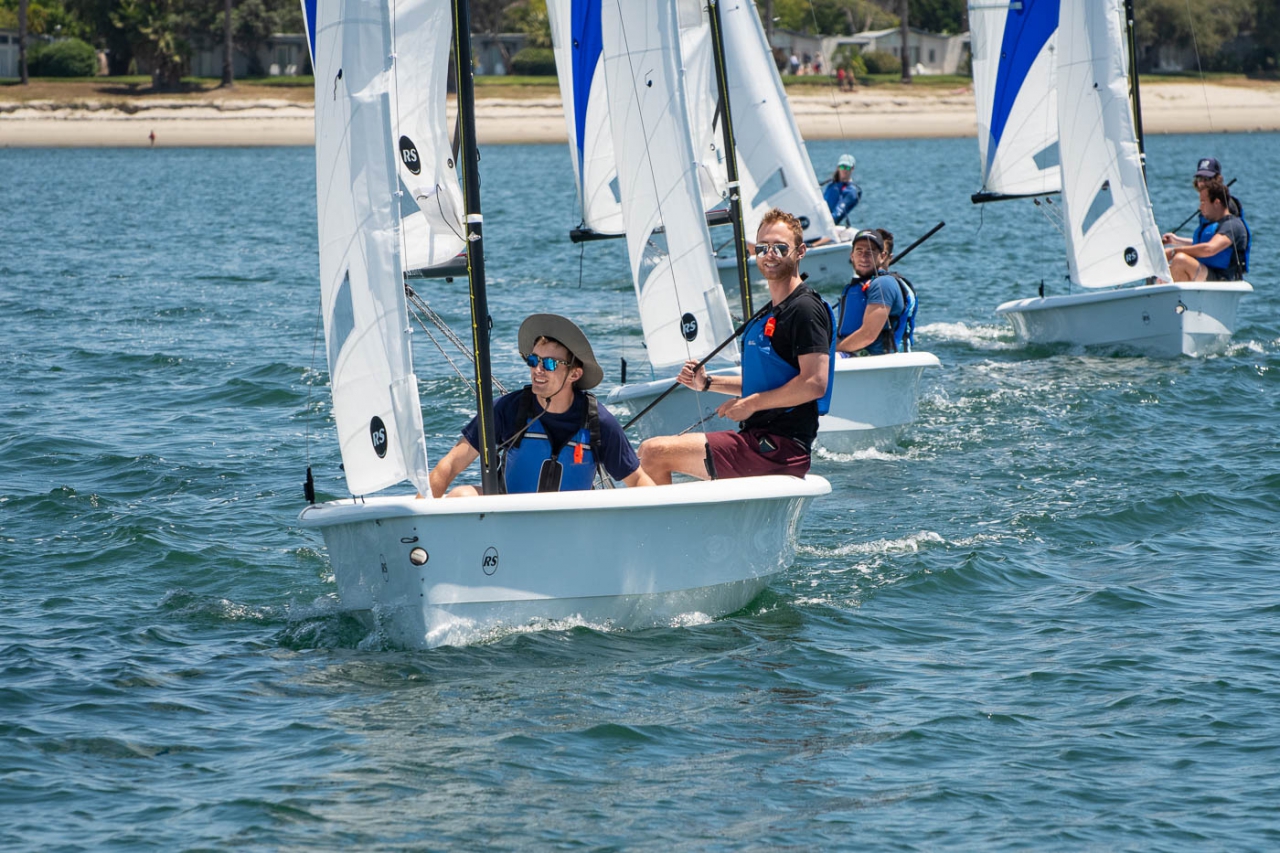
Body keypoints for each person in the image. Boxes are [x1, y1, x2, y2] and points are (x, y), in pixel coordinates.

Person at [638, 209, 834, 485]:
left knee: (653, 452)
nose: (770, 254)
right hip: (758, 441)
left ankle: (658, 529)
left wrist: (750, 404)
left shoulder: (804, 309)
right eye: (763, 247)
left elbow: (814, 383)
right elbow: (767, 381)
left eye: (780, 247)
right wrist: (707, 383)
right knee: (654, 452)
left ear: (800, 251)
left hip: (779, 449)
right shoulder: (774, 309)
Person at [429, 314, 655, 497]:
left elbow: (637, 479)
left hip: (572, 527)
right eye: (533, 360)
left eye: (549, 363)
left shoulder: (598, 421)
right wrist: (416, 525)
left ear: (574, 374)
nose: (538, 369)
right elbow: (450, 464)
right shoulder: (508, 410)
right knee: (462, 496)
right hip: (509, 521)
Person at [835, 229, 916, 356]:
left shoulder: (882, 285)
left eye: (870, 252)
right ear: (852, 255)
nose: (863, 257)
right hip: (855, 353)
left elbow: (868, 335)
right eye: (859, 251)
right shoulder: (861, 284)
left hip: (875, 359)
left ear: (883, 256)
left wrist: (834, 348)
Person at [1161, 176, 1250, 282]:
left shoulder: (1232, 225)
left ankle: (1178, 297)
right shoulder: (1216, 225)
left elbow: (1209, 249)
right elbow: (1200, 244)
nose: (1200, 207)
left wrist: (1173, 252)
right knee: (1164, 270)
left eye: (1203, 202)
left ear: (1216, 202)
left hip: (1222, 280)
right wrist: (1175, 241)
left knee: (1180, 260)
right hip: (1207, 273)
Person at [823, 154, 861, 226]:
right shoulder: (831, 185)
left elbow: (837, 215)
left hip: (829, 225)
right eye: (842, 166)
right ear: (838, 167)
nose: (844, 170)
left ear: (852, 169)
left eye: (848, 168)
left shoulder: (851, 191)